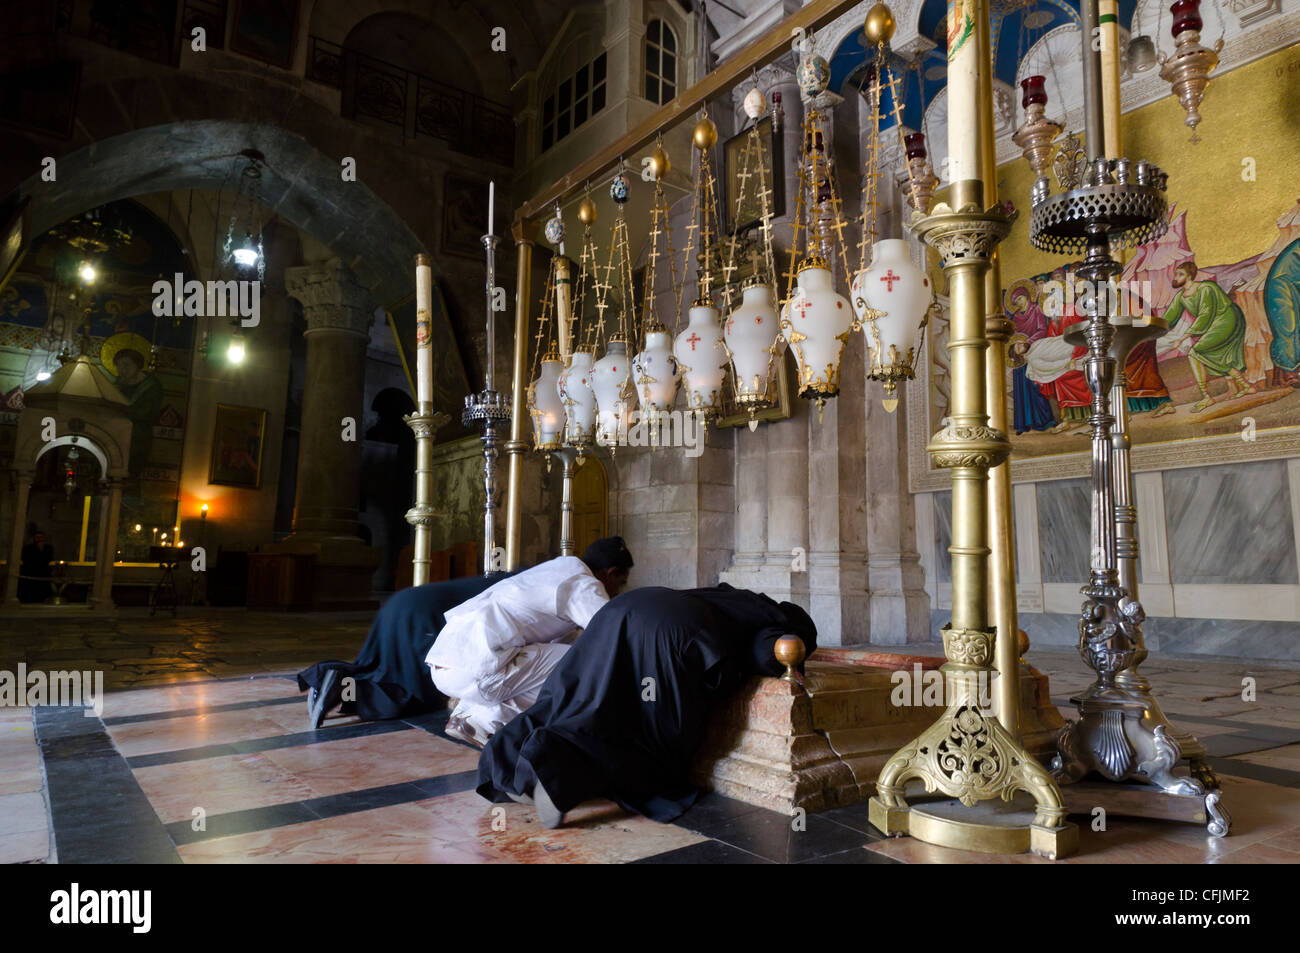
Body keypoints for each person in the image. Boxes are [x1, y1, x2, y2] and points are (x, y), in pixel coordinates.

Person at [477, 583, 818, 829]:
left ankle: (505, 760)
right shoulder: (779, 628)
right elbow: (766, 653)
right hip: (672, 634)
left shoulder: (736, 597)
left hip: (621, 612)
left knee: (570, 700)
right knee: (655, 748)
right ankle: (559, 766)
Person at [428, 537, 634, 748]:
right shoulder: (583, 584)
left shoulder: (556, 571)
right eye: (621, 582)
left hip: (444, 665)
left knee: (560, 659)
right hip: (477, 670)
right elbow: (611, 634)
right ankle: (483, 721)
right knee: (580, 665)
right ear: (610, 572)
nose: (618, 591)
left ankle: (465, 713)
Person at [298, 572, 511, 729]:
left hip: (400, 604)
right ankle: (339, 686)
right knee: (412, 695)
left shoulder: (505, 579)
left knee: (376, 669)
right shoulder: (518, 590)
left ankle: (333, 679)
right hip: (421, 619)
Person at [1163, 261, 1255, 412]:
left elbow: (1205, 314)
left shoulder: (1206, 288)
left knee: (1195, 352)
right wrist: (1151, 327)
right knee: (1211, 356)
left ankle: (1206, 397)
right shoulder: (1181, 296)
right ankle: (1246, 386)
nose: (1176, 277)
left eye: (1180, 274)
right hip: (1215, 324)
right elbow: (1169, 319)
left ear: (1189, 276)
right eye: (1176, 274)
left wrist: (1182, 338)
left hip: (1227, 318)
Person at [18, 529, 53, 603]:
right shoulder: (28, 548)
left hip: (43, 574)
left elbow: (49, 559)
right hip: (30, 573)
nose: (39, 539)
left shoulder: (48, 548)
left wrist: (41, 550)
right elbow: (26, 560)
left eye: (41, 537)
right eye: (37, 537)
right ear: (34, 538)